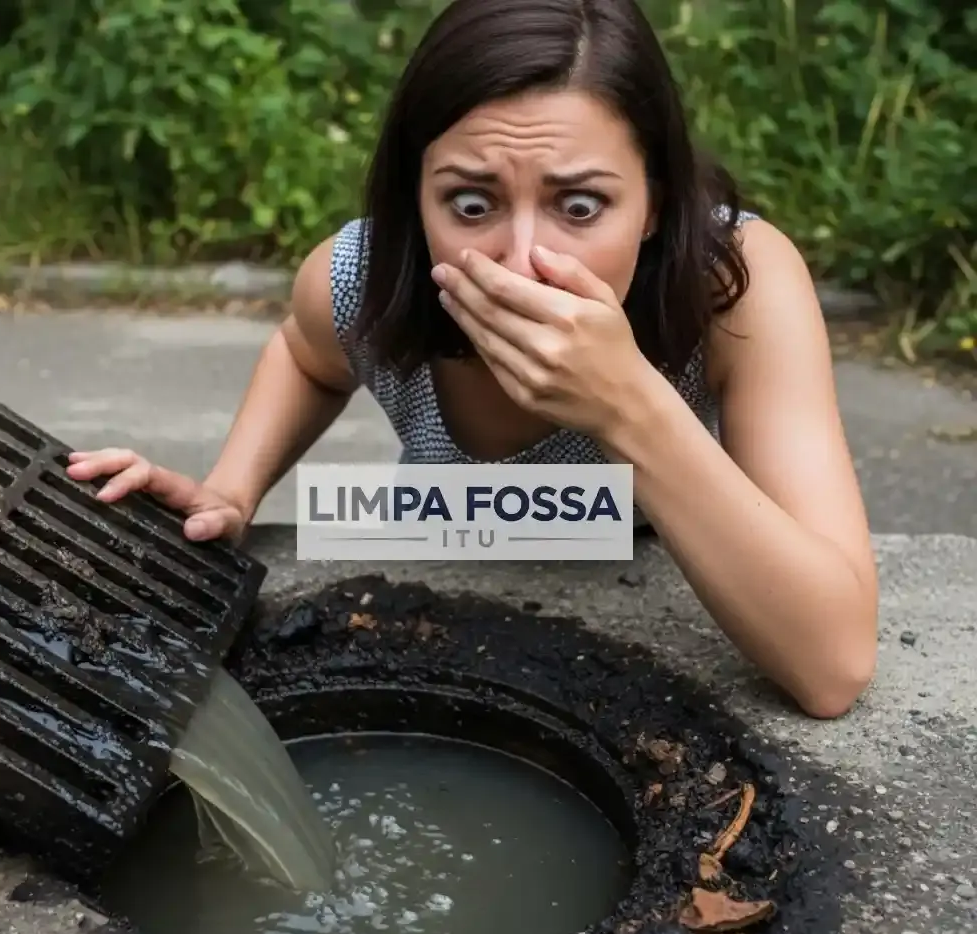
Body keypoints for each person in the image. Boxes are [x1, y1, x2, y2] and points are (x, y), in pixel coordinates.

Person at [68, 0, 878, 718]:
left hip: (657, 562)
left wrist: (629, 405)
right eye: (470, 203)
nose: (521, 260)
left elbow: (833, 666)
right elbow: (306, 355)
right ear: (416, 203)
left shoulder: (737, 287)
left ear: (657, 204)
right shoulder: (365, 277)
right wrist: (231, 490)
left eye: (580, 205)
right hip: (439, 560)